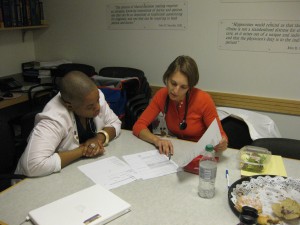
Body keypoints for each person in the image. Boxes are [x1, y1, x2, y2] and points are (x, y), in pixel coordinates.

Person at [15, 71, 121, 177]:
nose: (98, 107)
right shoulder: (54, 119)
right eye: (90, 107)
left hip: (75, 171)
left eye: (98, 100)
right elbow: (32, 166)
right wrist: (83, 150)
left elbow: (115, 122)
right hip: (34, 182)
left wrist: (98, 139)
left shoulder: (92, 97)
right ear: (70, 106)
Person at [132, 55, 228, 157]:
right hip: (178, 151)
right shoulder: (162, 95)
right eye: (173, 83)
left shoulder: (203, 100)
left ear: (190, 87)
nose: (176, 91)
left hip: (201, 153)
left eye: (183, 87)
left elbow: (221, 136)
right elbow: (138, 126)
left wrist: (221, 143)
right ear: (167, 78)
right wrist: (157, 140)